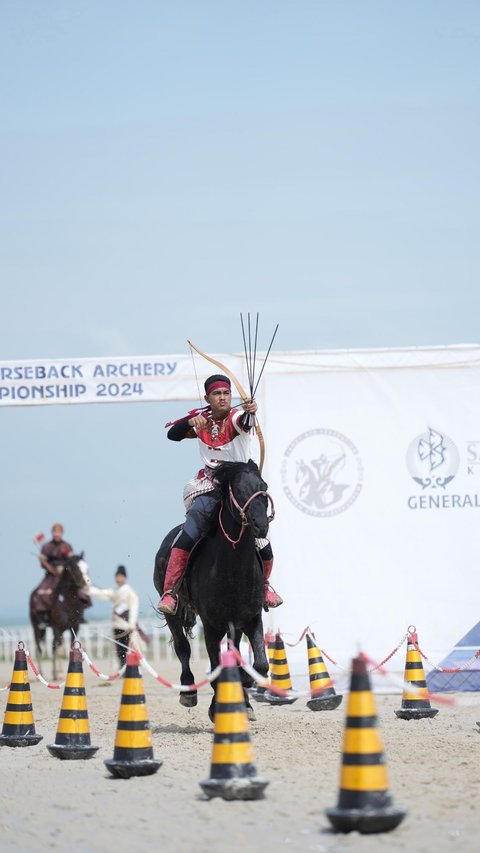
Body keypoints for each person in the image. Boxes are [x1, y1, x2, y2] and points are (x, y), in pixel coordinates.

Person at [157, 373, 283, 615]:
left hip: (239, 488)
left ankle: (265, 587)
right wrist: (190, 423)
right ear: (208, 397)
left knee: (261, 538)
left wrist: (251, 411)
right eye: (217, 394)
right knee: (190, 532)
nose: (223, 398)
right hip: (211, 486)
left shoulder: (237, 418)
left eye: (226, 393)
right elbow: (172, 434)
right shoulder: (201, 420)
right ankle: (171, 592)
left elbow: (246, 421)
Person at [89, 566, 140, 666]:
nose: (118, 579)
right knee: (119, 651)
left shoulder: (130, 592)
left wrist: (132, 624)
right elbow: (100, 593)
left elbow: (134, 608)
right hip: (116, 626)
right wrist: (87, 588)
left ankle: (129, 669)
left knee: (128, 649)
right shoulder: (114, 591)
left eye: (121, 576)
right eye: (117, 576)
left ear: (125, 578)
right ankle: (122, 669)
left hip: (127, 627)